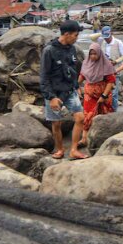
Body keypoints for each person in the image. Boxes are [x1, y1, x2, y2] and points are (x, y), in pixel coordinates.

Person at [40, 20, 88, 159]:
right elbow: (44, 76)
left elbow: (73, 70)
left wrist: (77, 86)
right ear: (66, 34)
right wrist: (51, 97)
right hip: (54, 93)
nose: (76, 38)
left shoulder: (72, 48)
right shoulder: (49, 51)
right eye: (75, 35)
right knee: (56, 124)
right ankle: (60, 149)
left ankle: (73, 150)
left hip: (69, 90)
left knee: (80, 118)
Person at [77, 42, 116, 146]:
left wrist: (104, 96)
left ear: (99, 53)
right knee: (87, 115)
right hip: (89, 95)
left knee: (103, 115)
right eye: (91, 54)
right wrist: (76, 86)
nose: (93, 56)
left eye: (95, 54)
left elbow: (110, 81)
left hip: (103, 95)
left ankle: (104, 138)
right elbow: (82, 75)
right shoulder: (86, 63)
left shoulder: (106, 64)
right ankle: (84, 138)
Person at [100, 26, 123, 111]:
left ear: (111, 33)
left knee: (114, 92)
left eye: (107, 38)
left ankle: (114, 110)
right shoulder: (103, 43)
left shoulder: (118, 42)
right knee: (105, 91)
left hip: (115, 71)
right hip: (105, 71)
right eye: (104, 38)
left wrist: (115, 61)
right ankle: (107, 109)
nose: (106, 39)